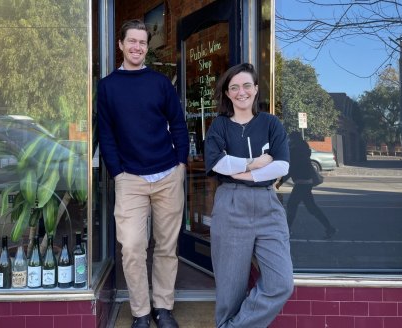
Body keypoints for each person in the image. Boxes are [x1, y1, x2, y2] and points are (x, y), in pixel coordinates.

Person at [97, 19, 188, 328]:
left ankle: (163, 308)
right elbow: (106, 134)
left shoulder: (160, 83)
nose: (137, 47)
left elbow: (178, 123)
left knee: (166, 246)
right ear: (121, 45)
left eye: (142, 42)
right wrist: (117, 173)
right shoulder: (108, 86)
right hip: (130, 179)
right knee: (133, 247)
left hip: (167, 174)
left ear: (147, 48)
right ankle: (140, 312)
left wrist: (181, 163)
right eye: (132, 41)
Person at [204, 63, 294, 328]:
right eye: (234, 87)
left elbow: (282, 165)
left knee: (281, 283)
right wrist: (254, 164)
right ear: (228, 94)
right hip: (230, 204)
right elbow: (217, 164)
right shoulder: (219, 126)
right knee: (230, 291)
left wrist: (243, 171)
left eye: (246, 86)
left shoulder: (270, 123)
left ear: (256, 89)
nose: (241, 92)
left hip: (267, 204)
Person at [276, 132, 337, 239]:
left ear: (293, 139)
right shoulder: (303, 148)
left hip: (301, 182)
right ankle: (330, 228)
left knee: (291, 206)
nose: (288, 141)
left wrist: (279, 182)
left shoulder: (295, 150)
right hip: (306, 181)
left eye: (290, 139)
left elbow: (292, 168)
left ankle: (287, 231)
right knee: (311, 208)